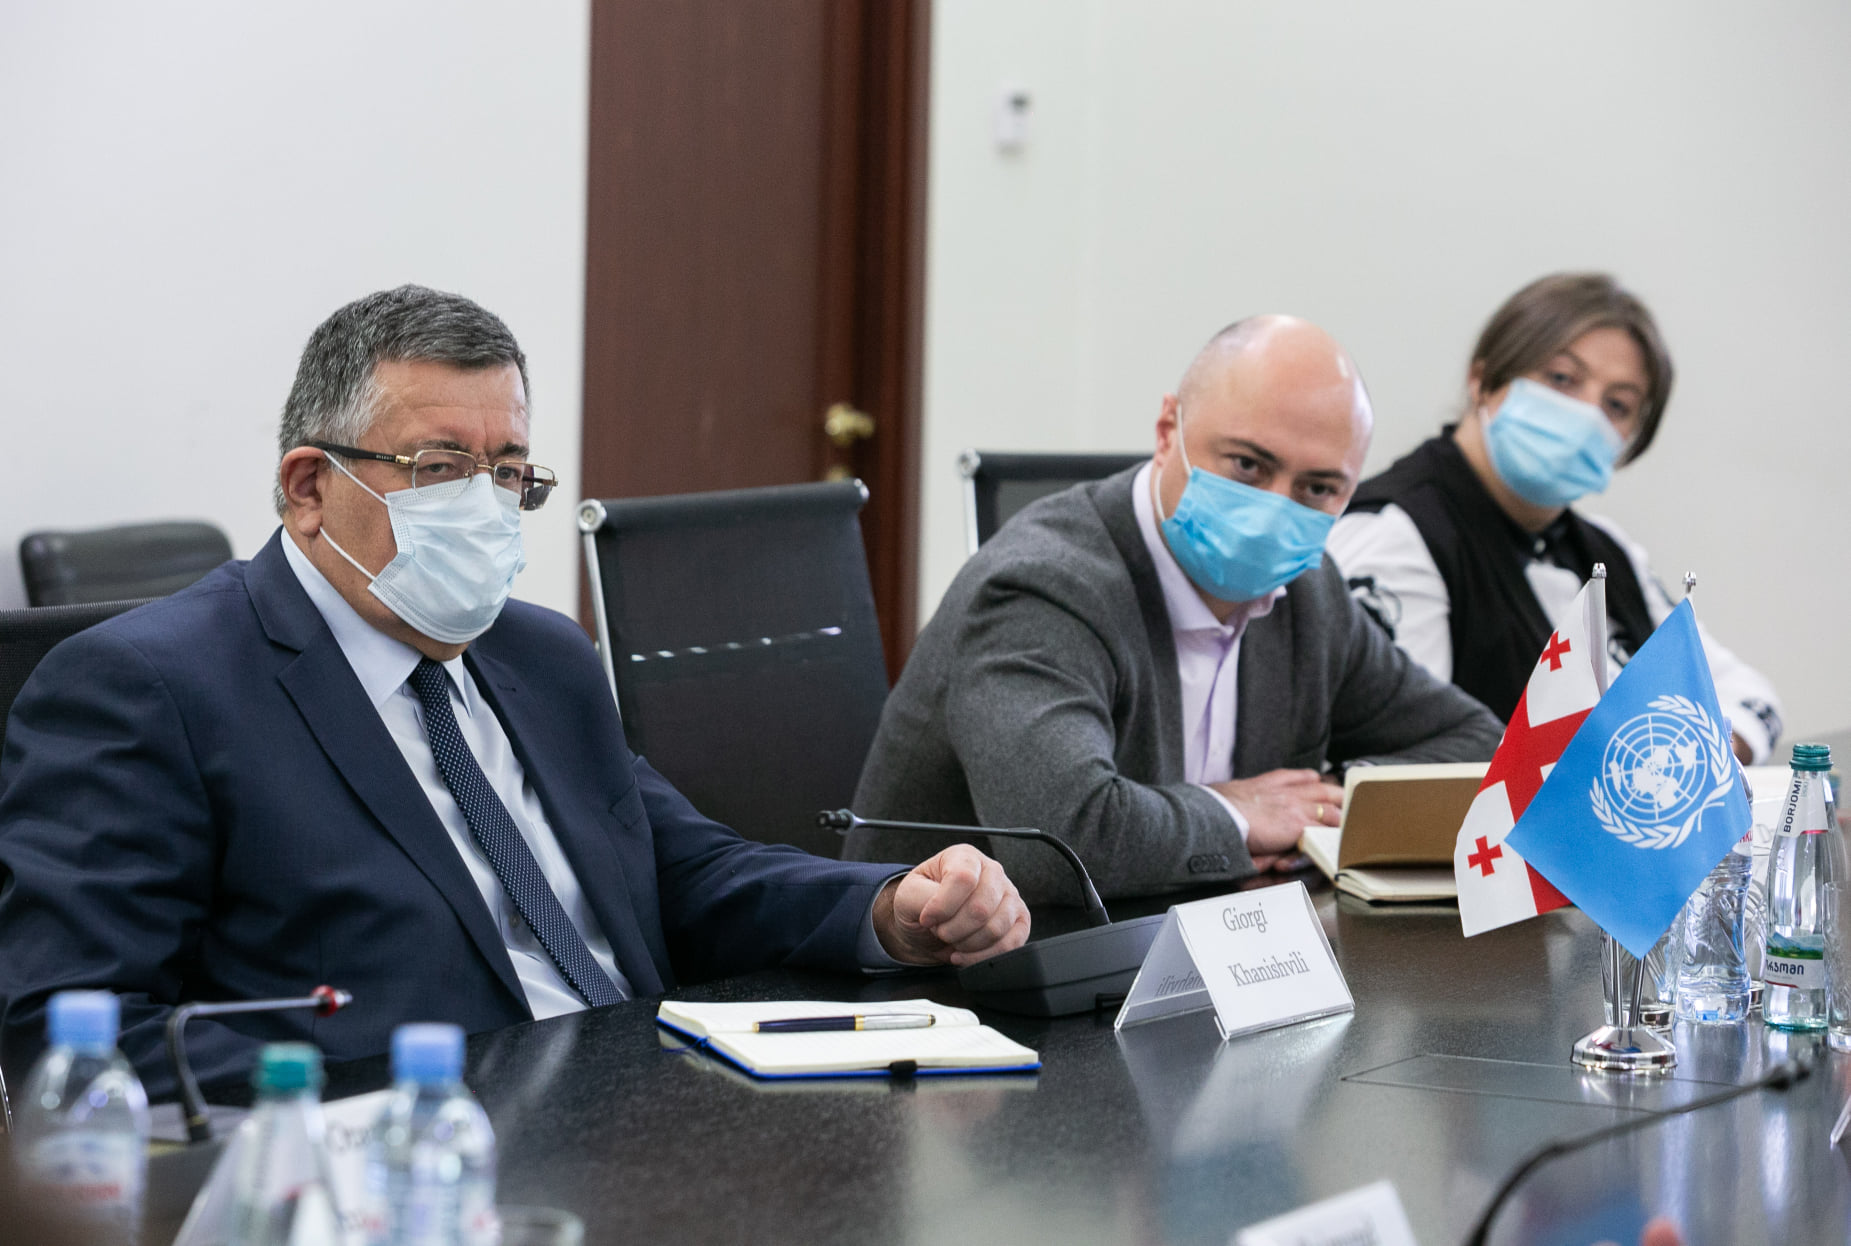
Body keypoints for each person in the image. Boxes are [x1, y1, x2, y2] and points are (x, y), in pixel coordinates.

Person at [0, 286, 1029, 1099]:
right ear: (310, 488)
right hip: (415, 1154)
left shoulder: (540, 654)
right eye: (439, 466)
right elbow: (68, 1032)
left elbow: (682, 870)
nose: (484, 506)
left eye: (506, 472)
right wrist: (393, 1099)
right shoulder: (149, 689)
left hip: (657, 1105)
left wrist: (889, 908)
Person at [845, 316, 1502, 904]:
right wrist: (1238, 818)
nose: (1275, 508)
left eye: (1318, 488)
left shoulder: (1310, 591)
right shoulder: (1041, 586)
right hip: (967, 978)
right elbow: (1061, 845)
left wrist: (1321, 802)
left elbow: (1477, 744)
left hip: (1206, 959)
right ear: (1168, 431)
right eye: (1248, 465)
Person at [1328, 273, 1781, 763]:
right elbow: (1418, 758)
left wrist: (1700, 753)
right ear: (1483, 379)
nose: (1587, 416)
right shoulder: (1395, 534)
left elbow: (1745, 694)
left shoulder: (1609, 551)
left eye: (1618, 405)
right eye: (1561, 379)